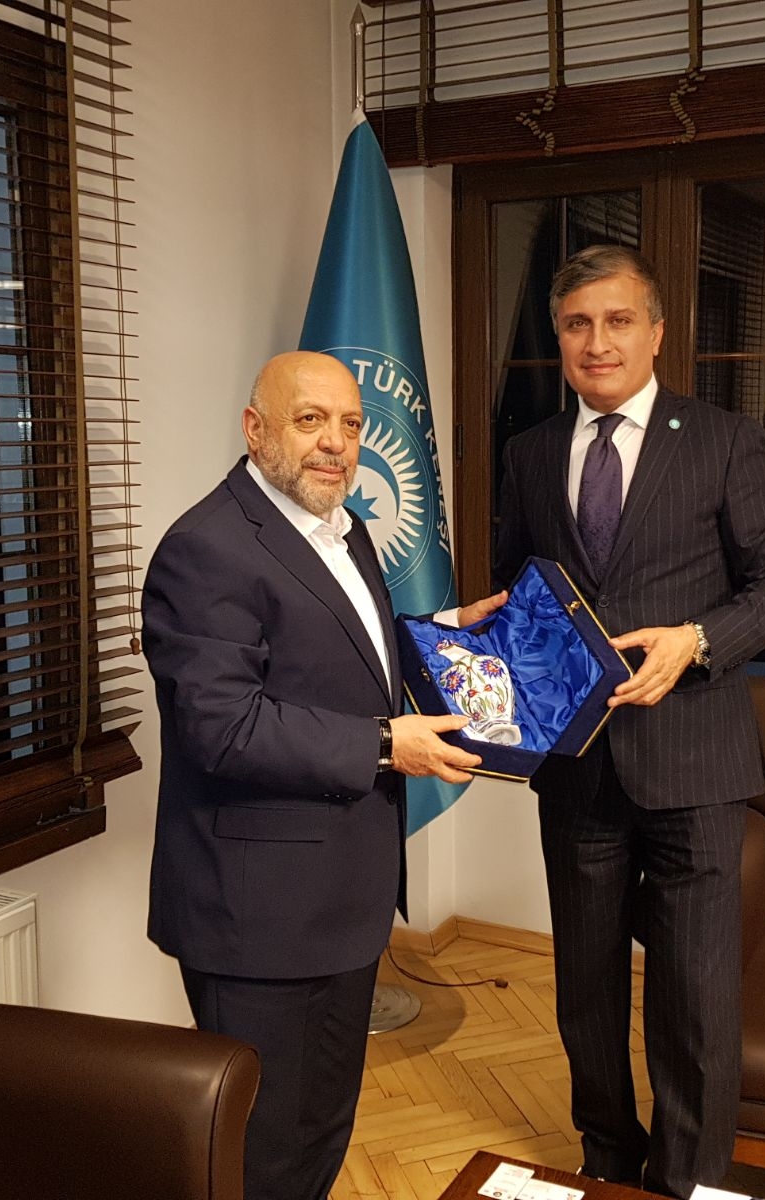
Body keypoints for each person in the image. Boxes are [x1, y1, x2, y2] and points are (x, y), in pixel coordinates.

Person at [488, 245, 765, 1197]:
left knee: (695, 996)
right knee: (584, 987)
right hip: (577, 766)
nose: (598, 342)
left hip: (696, 763)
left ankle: (686, 1180)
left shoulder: (721, 440)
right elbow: (522, 592)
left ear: (657, 332)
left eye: (618, 320)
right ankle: (607, 1159)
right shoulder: (530, 452)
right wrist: (481, 649)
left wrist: (696, 641)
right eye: (578, 324)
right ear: (559, 338)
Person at [141, 351, 499, 1200]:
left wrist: (443, 631)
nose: (335, 442)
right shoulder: (206, 548)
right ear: (255, 429)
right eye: (310, 420)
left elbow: (333, 651)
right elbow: (222, 727)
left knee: (321, 1133)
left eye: (350, 423)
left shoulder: (340, 525)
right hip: (259, 918)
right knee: (263, 1156)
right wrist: (384, 745)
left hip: (342, 902)